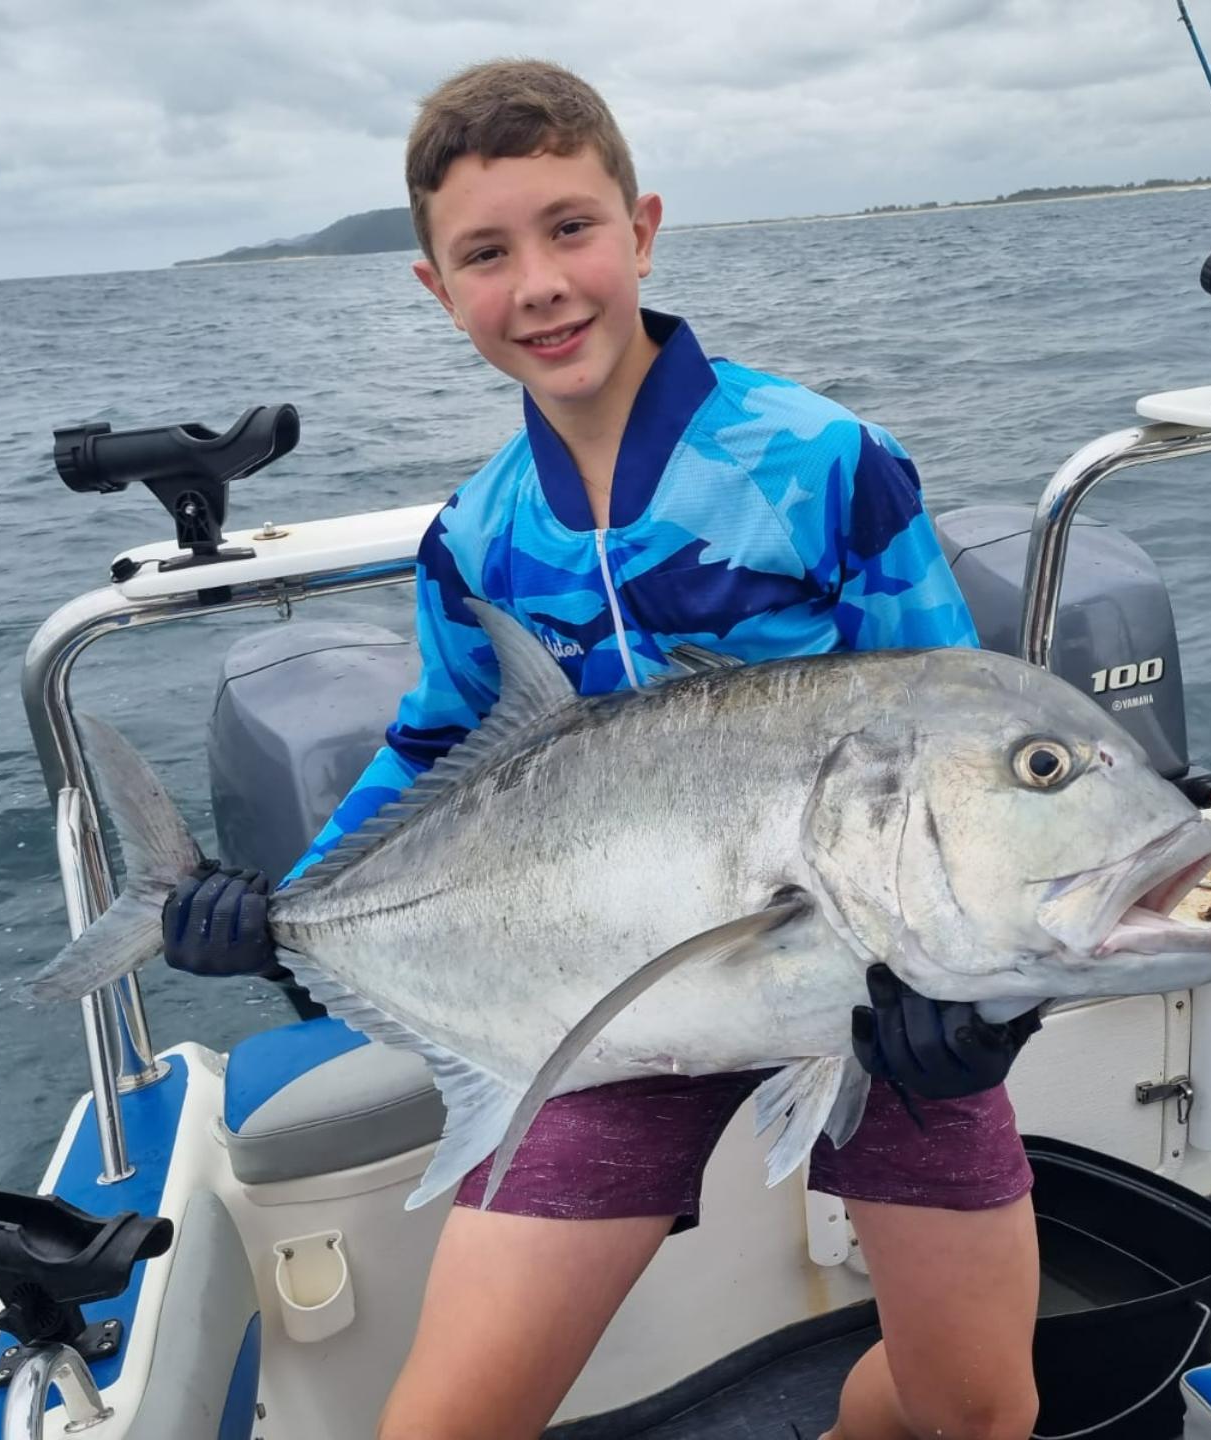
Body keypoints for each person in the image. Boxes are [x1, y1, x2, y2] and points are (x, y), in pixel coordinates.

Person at [162, 59, 1042, 1440]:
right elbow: (437, 746)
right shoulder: (478, 537)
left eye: (571, 229)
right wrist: (279, 910)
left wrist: (986, 1012)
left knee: (976, 1413)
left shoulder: (821, 461)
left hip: (868, 985)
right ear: (436, 288)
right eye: (486, 255)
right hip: (592, 998)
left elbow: (948, 723)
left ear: (642, 229)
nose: (540, 284)